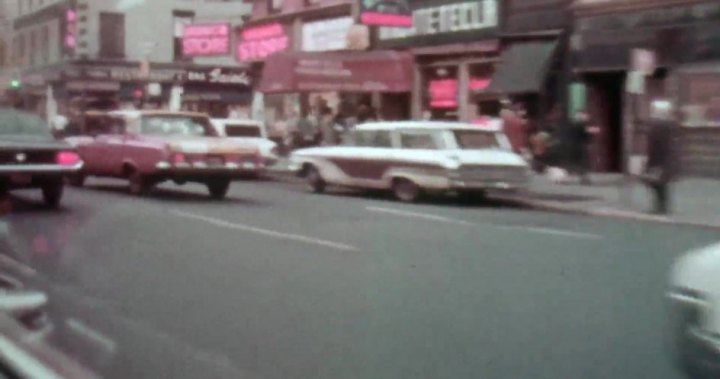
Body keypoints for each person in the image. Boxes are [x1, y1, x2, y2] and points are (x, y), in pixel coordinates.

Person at [643, 100, 679, 214]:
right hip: (665, 159)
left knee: (657, 183)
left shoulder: (658, 125)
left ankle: (660, 207)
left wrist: (651, 162)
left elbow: (655, 145)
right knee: (660, 183)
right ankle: (662, 206)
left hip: (659, 160)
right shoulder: (669, 124)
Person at [566, 111, 593, 185]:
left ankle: (580, 177)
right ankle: (583, 178)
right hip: (580, 146)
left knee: (577, 162)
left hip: (574, 145)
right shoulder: (580, 125)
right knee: (582, 162)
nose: (587, 118)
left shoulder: (573, 125)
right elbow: (584, 135)